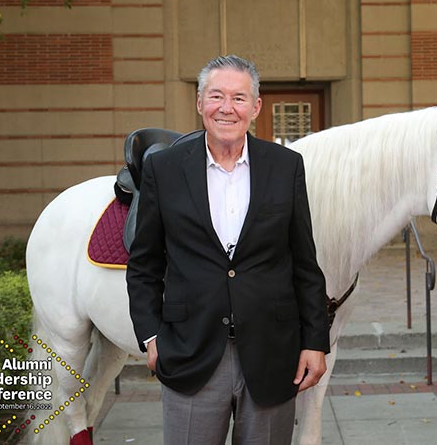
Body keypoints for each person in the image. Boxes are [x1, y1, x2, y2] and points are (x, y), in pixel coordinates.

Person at [126, 55, 330, 444]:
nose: (226, 108)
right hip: (190, 353)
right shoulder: (164, 170)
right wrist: (152, 338)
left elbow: (304, 263)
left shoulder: (286, 166)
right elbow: (144, 264)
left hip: (273, 356)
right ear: (200, 102)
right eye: (216, 96)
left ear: (255, 108)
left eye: (239, 98)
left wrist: (315, 341)